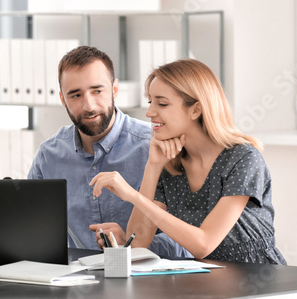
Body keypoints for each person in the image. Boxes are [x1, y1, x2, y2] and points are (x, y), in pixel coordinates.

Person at [91, 59, 286, 264]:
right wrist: (153, 166)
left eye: (162, 103)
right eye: (150, 102)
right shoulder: (171, 165)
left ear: (195, 110)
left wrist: (132, 195)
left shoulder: (243, 159)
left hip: (258, 279)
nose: (149, 113)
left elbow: (204, 245)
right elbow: (137, 243)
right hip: (209, 279)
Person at [28, 46, 190, 257]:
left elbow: (187, 240)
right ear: (62, 99)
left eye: (97, 91)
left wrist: (132, 244)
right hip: (75, 282)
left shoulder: (158, 147)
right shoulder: (49, 156)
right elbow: (33, 230)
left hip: (148, 281)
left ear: (114, 90)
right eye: (75, 95)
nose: (89, 106)